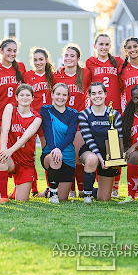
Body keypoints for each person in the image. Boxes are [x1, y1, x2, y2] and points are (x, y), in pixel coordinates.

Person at [85, 34, 125, 197]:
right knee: (97, 145)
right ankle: (97, 183)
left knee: (115, 148)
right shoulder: (90, 62)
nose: (104, 47)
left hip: (113, 110)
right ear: (95, 46)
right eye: (100, 44)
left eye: (107, 44)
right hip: (96, 111)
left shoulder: (117, 61)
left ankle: (115, 186)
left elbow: (122, 85)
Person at [0, 38, 26, 198]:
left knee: (20, 152)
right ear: (1, 51)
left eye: (14, 50)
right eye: (9, 50)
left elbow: (27, 91)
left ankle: (20, 187)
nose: (12, 53)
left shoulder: (21, 67)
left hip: (17, 118)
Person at [53, 44, 90, 198]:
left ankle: (81, 189)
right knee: (66, 155)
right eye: (66, 55)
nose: (68, 58)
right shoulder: (57, 75)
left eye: (72, 56)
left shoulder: (86, 73)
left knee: (77, 156)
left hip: (79, 120)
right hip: (62, 121)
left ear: (78, 59)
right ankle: (71, 189)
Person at [78, 82, 123, 204]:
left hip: (108, 154)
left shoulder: (114, 114)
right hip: (90, 151)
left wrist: (113, 160)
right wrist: (99, 158)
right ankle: (87, 194)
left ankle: (93, 191)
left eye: (100, 93)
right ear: (89, 96)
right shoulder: (84, 115)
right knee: (92, 159)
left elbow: (118, 138)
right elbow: (89, 140)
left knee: (104, 198)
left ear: (105, 94)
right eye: (93, 93)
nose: (97, 96)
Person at [0, 84, 42, 202]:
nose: (24, 97)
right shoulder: (10, 108)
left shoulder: (36, 118)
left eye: (28, 95)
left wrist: (9, 150)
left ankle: (17, 189)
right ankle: (3, 197)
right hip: (12, 158)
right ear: (16, 97)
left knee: (21, 200)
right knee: (1, 159)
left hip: (26, 161)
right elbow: (4, 130)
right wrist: (3, 150)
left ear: (32, 98)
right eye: (21, 95)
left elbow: (24, 138)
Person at [40, 83, 79, 203]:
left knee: (63, 198)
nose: (60, 97)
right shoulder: (45, 109)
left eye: (64, 95)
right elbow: (48, 132)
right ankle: (52, 194)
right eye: (58, 94)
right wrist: (54, 150)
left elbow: (70, 136)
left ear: (68, 97)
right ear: (52, 94)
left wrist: (59, 149)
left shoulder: (73, 113)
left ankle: (49, 192)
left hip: (68, 156)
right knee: (55, 158)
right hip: (50, 153)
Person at [23, 47, 55, 196]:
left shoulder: (52, 76)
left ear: (46, 60)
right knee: (29, 154)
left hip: (47, 119)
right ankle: (32, 188)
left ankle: (50, 187)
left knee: (46, 152)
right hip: (32, 118)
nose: (38, 62)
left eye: (41, 59)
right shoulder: (27, 76)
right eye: (35, 60)